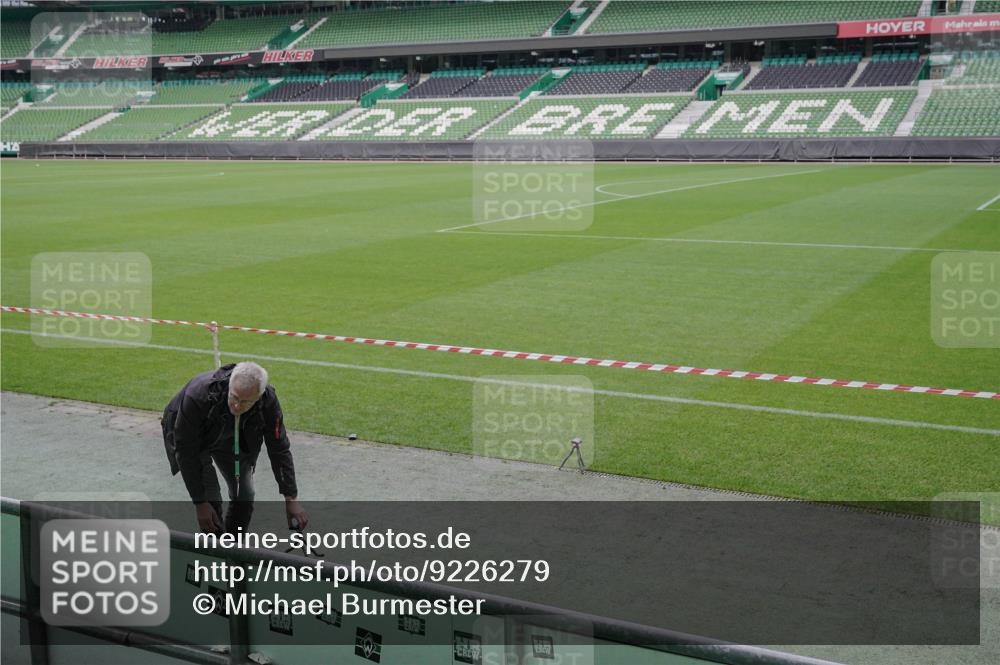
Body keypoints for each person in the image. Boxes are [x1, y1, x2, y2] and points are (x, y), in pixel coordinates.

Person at [161, 361, 308, 534]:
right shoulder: (199, 395)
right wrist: (200, 502)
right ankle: (215, 552)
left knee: (244, 495)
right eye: (234, 397)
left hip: (232, 435)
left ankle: (234, 550)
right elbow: (186, 451)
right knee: (210, 499)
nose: (237, 406)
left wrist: (291, 498)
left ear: (259, 397)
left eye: (246, 402)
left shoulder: (268, 401)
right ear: (230, 386)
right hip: (191, 435)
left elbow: (279, 448)